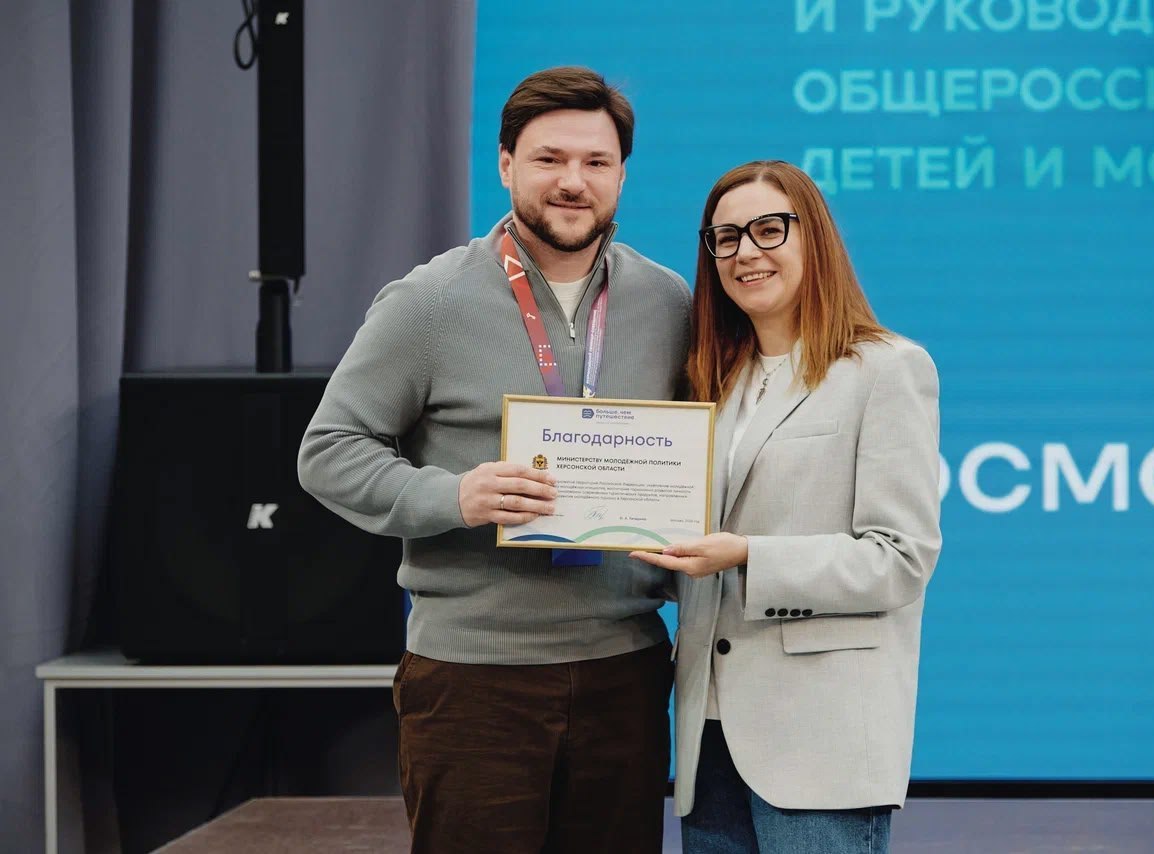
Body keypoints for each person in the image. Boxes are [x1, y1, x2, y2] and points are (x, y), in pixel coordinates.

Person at [298, 66, 690, 854]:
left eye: (596, 161)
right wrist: (454, 497)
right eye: (549, 158)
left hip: (627, 672)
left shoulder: (670, 302)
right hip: (473, 679)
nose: (573, 181)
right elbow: (328, 450)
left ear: (622, 176)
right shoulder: (429, 301)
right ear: (506, 164)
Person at [631, 160, 941, 853]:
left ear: (814, 238)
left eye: (769, 229)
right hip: (708, 732)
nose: (746, 252)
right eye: (726, 237)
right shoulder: (710, 382)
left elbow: (899, 559)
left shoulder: (886, 369)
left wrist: (747, 556)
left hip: (820, 738)